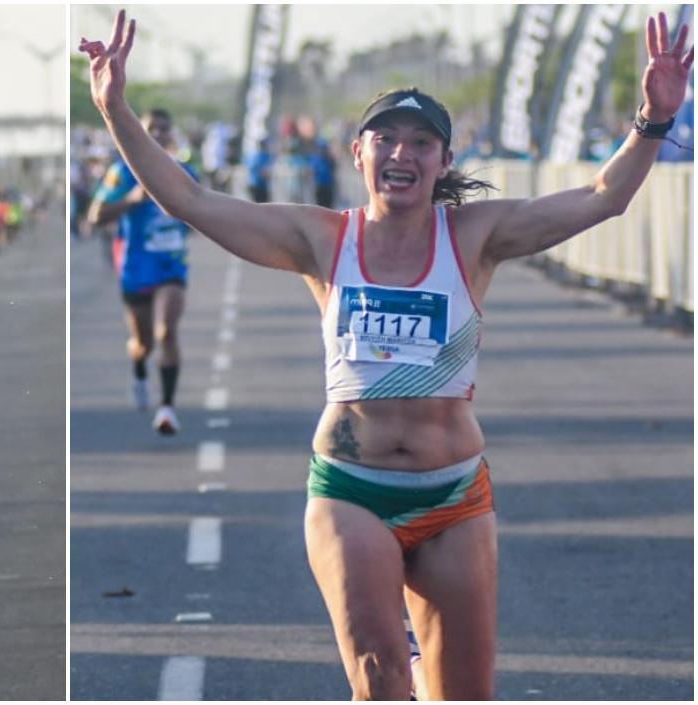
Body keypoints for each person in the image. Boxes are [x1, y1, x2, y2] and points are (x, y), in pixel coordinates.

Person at [82, 9, 691, 700]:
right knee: (381, 679)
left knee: (464, 694)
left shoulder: (474, 236)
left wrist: (652, 120)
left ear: (444, 162)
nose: (402, 154)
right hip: (351, 491)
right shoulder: (320, 238)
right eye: (386, 139)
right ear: (358, 153)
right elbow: (190, 200)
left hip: (455, 494)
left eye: (421, 143)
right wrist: (115, 111)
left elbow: (601, 197)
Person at [87, 107, 194, 436]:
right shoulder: (122, 173)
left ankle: (167, 408)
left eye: (164, 129)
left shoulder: (184, 171)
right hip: (135, 269)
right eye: (152, 129)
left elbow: (205, 208)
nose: (159, 134)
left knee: (167, 333)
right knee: (144, 343)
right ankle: (138, 368)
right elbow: (95, 216)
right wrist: (133, 200)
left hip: (170, 265)